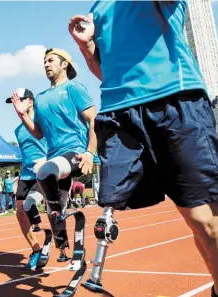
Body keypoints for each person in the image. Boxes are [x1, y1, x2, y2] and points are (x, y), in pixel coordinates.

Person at [69, 2, 218, 295]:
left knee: (204, 220)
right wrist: (86, 46)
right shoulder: (97, 9)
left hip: (174, 100)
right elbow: (105, 71)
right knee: (190, 220)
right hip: (120, 113)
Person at [11, 48, 97, 263]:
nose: (46, 64)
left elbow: (94, 119)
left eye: (51, 60)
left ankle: (58, 211)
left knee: (45, 171)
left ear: (64, 64)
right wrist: (22, 115)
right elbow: (38, 133)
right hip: (56, 158)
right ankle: (65, 249)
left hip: (75, 153)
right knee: (41, 206)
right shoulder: (40, 98)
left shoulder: (73, 88)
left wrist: (89, 152)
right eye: (44, 62)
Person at [6, 88, 49, 270]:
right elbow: (26, 155)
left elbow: (55, 144)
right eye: (12, 102)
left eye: (19, 100)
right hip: (26, 174)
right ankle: (36, 249)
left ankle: (58, 244)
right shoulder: (18, 130)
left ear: (30, 101)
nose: (15, 104)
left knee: (32, 207)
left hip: (45, 171)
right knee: (20, 212)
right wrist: (19, 176)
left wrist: (50, 162)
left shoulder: (44, 122)